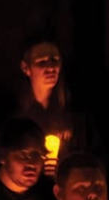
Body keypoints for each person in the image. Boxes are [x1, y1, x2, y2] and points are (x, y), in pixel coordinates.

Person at [15, 35, 99, 176]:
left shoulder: (77, 117)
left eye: (55, 60)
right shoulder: (15, 117)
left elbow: (91, 157)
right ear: (25, 67)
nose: (50, 67)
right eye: (41, 62)